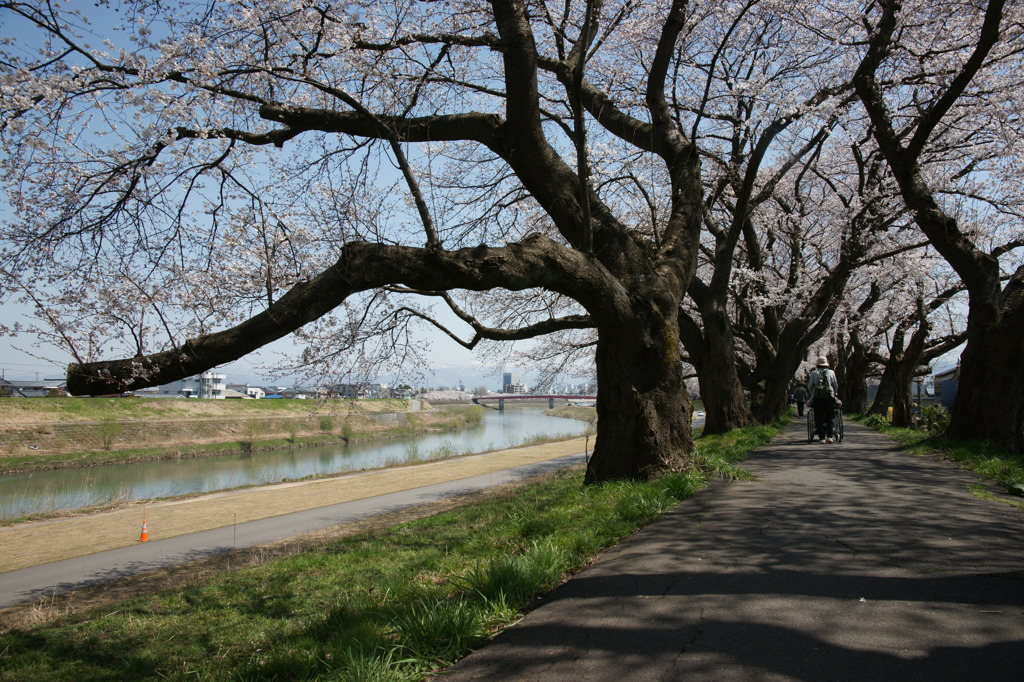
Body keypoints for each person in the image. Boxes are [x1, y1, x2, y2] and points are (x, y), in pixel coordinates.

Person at [807, 356, 839, 443]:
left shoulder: (814, 373)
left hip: (818, 398)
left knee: (818, 417)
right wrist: (834, 393)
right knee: (830, 417)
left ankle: (822, 438)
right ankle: (830, 436)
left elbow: (810, 386)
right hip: (829, 397)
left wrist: (812, 394)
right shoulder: (831, 372)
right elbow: (835, 385)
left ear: (817, 365)